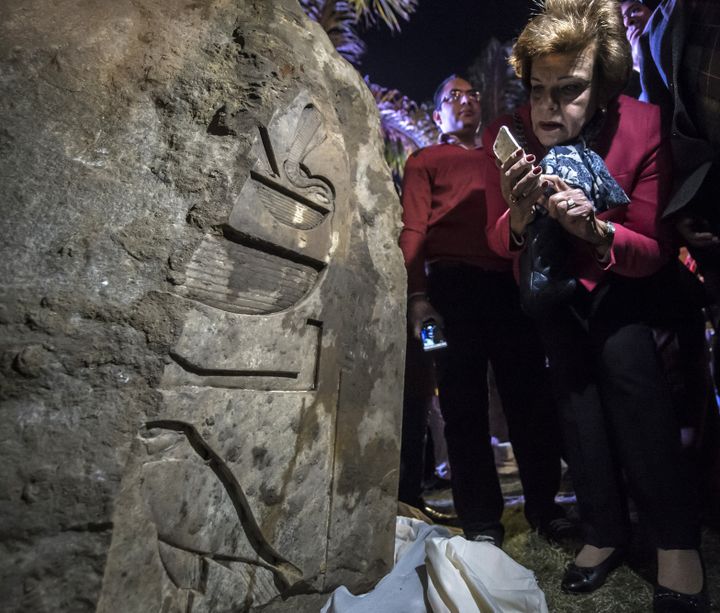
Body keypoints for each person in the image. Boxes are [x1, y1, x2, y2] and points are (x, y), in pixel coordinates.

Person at [483, 0, 708, 610]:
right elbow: (498, 236)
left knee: (639, 397)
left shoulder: (643, 126)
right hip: (554, 295)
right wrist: (523, 210)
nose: (550, 108)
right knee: (576, 408)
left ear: (604, 86)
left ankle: (674, 542)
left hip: (626, 285)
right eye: (539, 90)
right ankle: (604, 532)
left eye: (571, 90)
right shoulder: (510, 134)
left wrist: (596, 230)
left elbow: (654, 246)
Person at [399, 74, 572, 547]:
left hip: (509, 285)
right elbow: (413, 231)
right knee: (461, 405)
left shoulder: (509, 158)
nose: (467, 100)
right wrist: (419, 298)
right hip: (451, 290)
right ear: (437, 116)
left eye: (473, 92)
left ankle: (544, 508)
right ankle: (480, 521)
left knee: (530, 399)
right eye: (452, 96)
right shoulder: (425, 160)